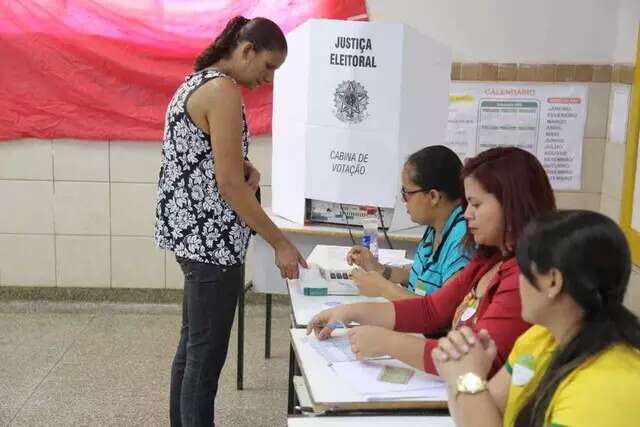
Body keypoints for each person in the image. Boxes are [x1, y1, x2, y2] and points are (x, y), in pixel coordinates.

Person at [154, 16, 306, 427]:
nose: (268, 79)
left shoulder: (198, 81)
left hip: (193, 240)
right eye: (268, 66)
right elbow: (227, 185)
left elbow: (205, 158)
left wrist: (244, 169)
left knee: (191, 350)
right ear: (247, 50)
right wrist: (280, 242)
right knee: (204, 361)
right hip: (211, 245)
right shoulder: (223, 91)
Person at [307, 147, 555, 377]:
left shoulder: (524, 277)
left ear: (512, 204)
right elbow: (433, 310)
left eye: (476, 205)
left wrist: (387, 343)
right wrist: (349, 312)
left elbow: (475, 361)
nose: (467, 213)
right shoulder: (488, 259)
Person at [432, 210, 640, 427]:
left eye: (522, 270)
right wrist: (458, 367)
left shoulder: (607, 385)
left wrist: (468, 378)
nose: (517, 282)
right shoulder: (540, 338)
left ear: (552, 282)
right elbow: (480, 416)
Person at [346, 145, 471, 300]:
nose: (403, 201)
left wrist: (382, 287)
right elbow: (419, 278)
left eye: (407, 193)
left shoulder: (462, 241)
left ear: (433, 197)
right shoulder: (436, 227)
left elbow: (440, 311)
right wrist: (378, 269)